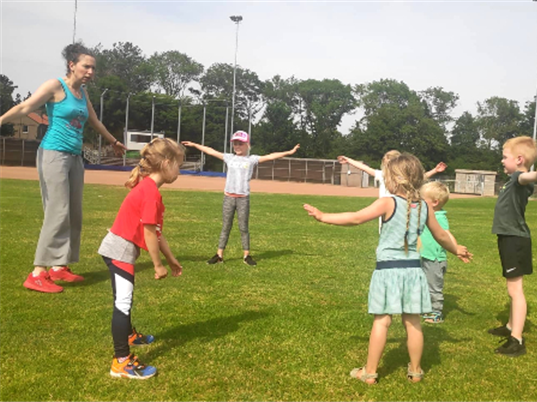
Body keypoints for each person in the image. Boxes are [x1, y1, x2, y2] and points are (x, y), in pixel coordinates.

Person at [304, 151, 472, 384]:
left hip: (387, 271)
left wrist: (323, 216)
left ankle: (370, 372)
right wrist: (456, 249)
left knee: (382, 321)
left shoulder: (387, 202)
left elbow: (355, 218)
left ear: (395, 180)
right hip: (414, 271)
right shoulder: (424, 206)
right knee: (413, 322)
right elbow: (441, 235)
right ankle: (416, 371)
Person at [0, 42, 126, 293]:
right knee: (57, 212)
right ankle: (37, 273)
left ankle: (59, 266)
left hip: (75, 157)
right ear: (71, 65)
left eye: (93, 68)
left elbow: (94, 121)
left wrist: (113, 141)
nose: (90, 72)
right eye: (86, 66)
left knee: (73, 214)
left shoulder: (83, 94)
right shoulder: (55, 86)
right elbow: (25, 107)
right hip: (54, 155)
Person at [98, 137, 184, 379]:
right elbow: (149, 233)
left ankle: (129, 335)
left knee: (123, 300)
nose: (179, 171)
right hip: (119, 252)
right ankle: (121, 362)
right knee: (122, 303)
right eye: (178, 165)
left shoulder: (148, 188)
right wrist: (157, 265)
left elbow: (156, 231)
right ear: (166, 163)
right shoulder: (151, 193)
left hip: (118, 250)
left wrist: (171, 259)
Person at [488, 136, 537, 357]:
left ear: (519, 159)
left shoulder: (518, 178)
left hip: (515, 239)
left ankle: (516, 340)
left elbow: (526, 177)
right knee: (512, 287)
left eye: (505, 157)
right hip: (509, 237)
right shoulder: (512, 180)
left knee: (515, 290)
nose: (502, 161)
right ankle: (510, 326)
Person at [182, 131, 299, 266]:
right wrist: (195, 145)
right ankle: (219, 255)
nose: (237, 146)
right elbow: (211, 151)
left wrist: (289, 152)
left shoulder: (252, 159)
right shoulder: (229, 158)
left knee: (243, 228)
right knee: (226, 227)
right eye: (235, 144)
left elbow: (271, 156)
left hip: (243, 198)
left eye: (240, 144)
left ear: (247, 145)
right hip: (228, 197)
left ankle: (246, 255)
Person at [337, 155, 447, 232]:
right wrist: (349, 160)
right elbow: (364, 168)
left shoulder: (402, 180)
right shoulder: (382, 175)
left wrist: (435, 170)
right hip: (385, 210)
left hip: (396, 210)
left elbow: (419, 177)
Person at [419, 181, 457, 324]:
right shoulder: (424, 215)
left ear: (434, 202)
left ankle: (436, 312)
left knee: (434, 286)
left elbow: (446, 234)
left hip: (434, 258)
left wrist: (456, 249)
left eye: (422, 199)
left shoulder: (439, 217)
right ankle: (425, 307)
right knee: (423, 283)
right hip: (424, 255)